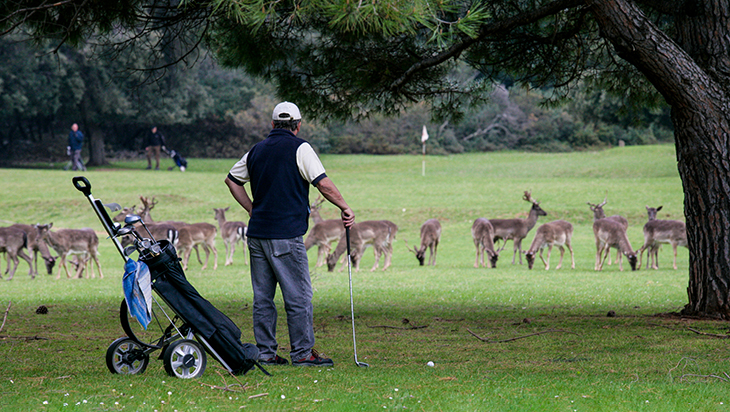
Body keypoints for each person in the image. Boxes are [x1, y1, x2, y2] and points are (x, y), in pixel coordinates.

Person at [225, 101, 355, 367]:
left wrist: (252, 210)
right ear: (298, 125)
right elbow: (324, 185)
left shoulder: (256, 150)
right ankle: (303, 354)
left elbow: (232, 180)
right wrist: (345, 207)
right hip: (286, 235)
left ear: (272, 125)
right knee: (298, 296)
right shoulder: (301, 147)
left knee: (263, 298)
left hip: (258, 235)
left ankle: (266, 354)